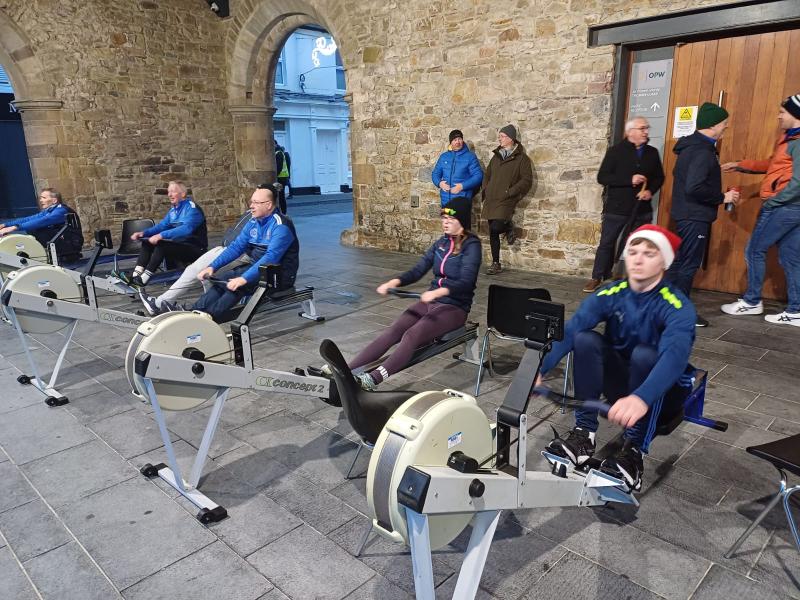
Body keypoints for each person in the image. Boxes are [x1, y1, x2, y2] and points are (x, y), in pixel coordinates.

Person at [542, 225, 696, 492]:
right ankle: (584, 435)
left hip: (661, 391)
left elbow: (675, 357)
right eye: (633, 251)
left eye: (649, 253)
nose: (637, 258)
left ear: (664, 262)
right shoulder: (613, 292)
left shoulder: (677, 305)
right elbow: (572, 329)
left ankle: (634, 451)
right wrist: (538, 367)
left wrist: (641, 397)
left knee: (645, 354)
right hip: (622, 385)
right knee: (585, 339)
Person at [342, 197, 481, 390]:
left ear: (462, 221)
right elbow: (418, 270)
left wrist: (438, 292)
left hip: (454, 307)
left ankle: (373, 378)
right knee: (394, 330)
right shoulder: (441, 243)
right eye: (443, 218)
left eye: (450, 218)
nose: (445, 222)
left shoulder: (472, 246)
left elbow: (466, 282)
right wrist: (394, 281)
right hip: (431, 302)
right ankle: (346, 370)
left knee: (412, 335)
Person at [720, 94, 800, 326]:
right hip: (792, 208)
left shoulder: (797, 142)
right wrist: (741, 165)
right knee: (790, 257)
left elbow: (798, 182)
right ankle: (796, 311)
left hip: (784, 207)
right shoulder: (788, 139)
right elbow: (773, 165)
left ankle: (752, 301)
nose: (779, 115)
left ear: (795, 115)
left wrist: (775, 201)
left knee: (754, 250)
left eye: (783, 112)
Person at [666, 102, 739, 327]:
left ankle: (667, 307)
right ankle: (680, 314)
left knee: (680, 263)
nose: (726, 128)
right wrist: (721, 198)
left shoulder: (690, 147)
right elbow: (694, 187)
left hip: (686, 214)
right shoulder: (702, 151)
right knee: (688, 264)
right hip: (694, 216)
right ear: (713, 125)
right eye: (724, 124)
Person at [191, 183, 299, 322]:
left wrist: (244, 279)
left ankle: (208, 319)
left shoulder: (281, 226)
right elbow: (236, 247)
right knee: (223, 279)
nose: (251, 206)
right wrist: (212, 266)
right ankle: (193, 313)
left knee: (237, 287)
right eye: (251, 201)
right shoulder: (253, 222)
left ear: (268, 205)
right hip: (258, 270)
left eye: (256, 202)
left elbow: (270, 257)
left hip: (279, 276)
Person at [583, 116, 665, 293]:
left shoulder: (651, 153)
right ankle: (597, 276)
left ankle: (631, 278)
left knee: (638, 245)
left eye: (646, 128)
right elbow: (603, 177)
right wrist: (629, 180)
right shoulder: (615, 151)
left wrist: (650, 190)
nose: (646, 132)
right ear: (630, 132)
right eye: (642, 128)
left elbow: (659, 177)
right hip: (617, 207)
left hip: (641, 209)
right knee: (607, 242)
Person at [126, 181, 207, 287]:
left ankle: (143, 280)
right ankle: (135, 275)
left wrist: (161, 235)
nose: (169, 195)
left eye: (173, 191)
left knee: (161, 246)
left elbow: (187, 229)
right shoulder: (173, 210)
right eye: (168, 192)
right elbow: (162, 226)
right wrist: (144, 233)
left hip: (195, 248)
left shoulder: (192, 209)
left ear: (182, 194)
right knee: (147, 242)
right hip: (180, 246)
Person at [481, 124, 533, 275]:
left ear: (511, 139)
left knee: (497, 227)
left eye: (502, 136)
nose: (499, 139)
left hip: (506, 198)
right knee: (492, 231)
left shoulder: (521, 159)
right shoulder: (496, 157)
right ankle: (496, 263)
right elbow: (487, 175)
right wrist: (486, 189)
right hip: (492, 198)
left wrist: (511, 192)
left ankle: (508, 226)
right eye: (500, 136)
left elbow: (526, 180)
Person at [0, 188, 83, 262]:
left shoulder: (61, 211)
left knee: (35, 229)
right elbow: (30, 219)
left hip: (72, 244)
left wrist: (14, 228)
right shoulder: (49, 210)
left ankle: (67, 255)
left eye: (44, 198)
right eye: (41, 198)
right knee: (32, 228)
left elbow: (43, 221)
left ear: (54, 200)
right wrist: (5, 225)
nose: (41, 200)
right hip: (63, 241)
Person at [431, 129, 483, 228]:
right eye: (455, 139)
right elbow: (435, 174)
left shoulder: (470, 157)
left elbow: (478, 176)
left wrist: (462, 186)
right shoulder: (444, 157)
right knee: (448, 230)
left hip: (462, 202)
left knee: (462, 231)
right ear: (451, 142)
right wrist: (440, 183)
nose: (458, 142)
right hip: (446, 202)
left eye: (459, 139)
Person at [275, 141, 291, 214]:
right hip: (282, 177)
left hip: (280, 178)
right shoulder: (279, 152)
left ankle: (283, 213)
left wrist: (275, 175)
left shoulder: (278, 153)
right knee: (279, 196)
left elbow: (279, 167)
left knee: (280, 196)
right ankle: (282, 212)